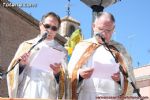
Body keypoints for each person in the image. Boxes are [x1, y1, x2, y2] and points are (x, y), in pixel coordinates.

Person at [68, 12, 136, 100]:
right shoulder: (81, 46)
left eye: (108, 30)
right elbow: (69, 73)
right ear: (93, 26)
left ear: (113, 29)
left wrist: (120, 79)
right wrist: (80, 75)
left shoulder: (120, 50)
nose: (103, 34)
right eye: (100, 29)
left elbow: (130, 78)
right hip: (87, 96)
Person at [7, 12, 68, 99]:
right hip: (27, 92)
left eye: (54, 28)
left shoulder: (62, 51)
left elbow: (65, 81)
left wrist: (57, 73)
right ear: (40, 25)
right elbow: (12, 73)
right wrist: (21, 65)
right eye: (47, 26)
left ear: (57, 30)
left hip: (48, 94)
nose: (49, 30)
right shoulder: (26, 45)